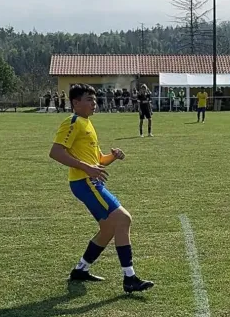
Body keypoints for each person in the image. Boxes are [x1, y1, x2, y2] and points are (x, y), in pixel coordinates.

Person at [49, 84, 154, 293]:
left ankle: (81, 269)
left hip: (89, 181)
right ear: (75, 103)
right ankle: (129, 278)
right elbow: (55, 152)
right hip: (84, 182)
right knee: (124, 219)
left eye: (94, 100)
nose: (94, 103)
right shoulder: (73, 122)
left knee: (108, 228)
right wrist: (86, 167)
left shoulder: (86, 123)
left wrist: (112, 157)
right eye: (89, 99)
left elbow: (98, 161)